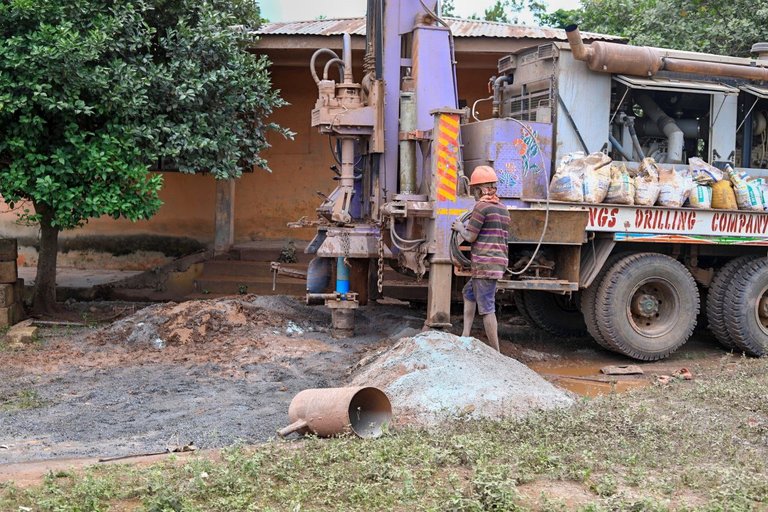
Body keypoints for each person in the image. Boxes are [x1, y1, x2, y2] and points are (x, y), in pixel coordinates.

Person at [451, 165, 510, 351]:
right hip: (496, 261)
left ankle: (496, 352)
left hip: (485, 262)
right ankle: (465, 335)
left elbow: (470, 237)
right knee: (469, 292)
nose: (475, 194)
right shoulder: (503, 209)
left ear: (480, 189)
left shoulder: (481, 207)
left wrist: (460, 227)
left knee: (487, 308)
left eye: (475, 190)